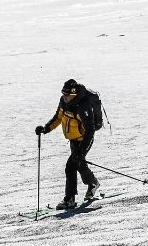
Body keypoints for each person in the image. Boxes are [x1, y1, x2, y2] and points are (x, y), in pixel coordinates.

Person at [35, 79, 102, 209]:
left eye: (67, 95)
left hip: (84, 140)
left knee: (70, 166)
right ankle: (93, 183)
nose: (64, 97)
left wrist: (81, 150)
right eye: (63, 94)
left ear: (74, 94)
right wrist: (45, 128)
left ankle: (69, 199)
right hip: (73, 140)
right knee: (80, 165)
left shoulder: (83, 105)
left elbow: (90, 130)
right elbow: (58, 117)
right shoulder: (63, 102)